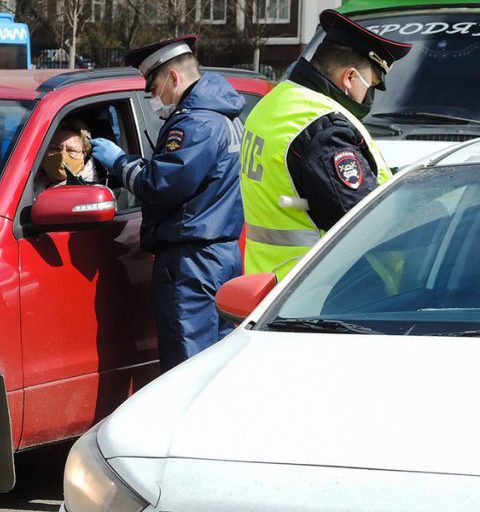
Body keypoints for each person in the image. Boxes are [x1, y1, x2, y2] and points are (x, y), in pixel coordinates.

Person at [89, 36, 245, 372]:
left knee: (186, 369)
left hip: (192, 263)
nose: (151, 97)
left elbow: (159, 184)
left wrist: (118, 162)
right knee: (215, 367)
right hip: (220, 256)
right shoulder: (224, 115)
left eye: (153, 86)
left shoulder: (196, 123)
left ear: (174, 77)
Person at [240, 9, 412, 279]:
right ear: (350, 78)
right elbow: (363, 223)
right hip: (317, 292)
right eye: (372, 85)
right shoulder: (323, 128)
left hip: (266, 280)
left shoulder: (275, 105)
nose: (369, 96)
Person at [36, 118, 98, 192]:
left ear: (85, 154)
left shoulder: (92, 191)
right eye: (55, 149)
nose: (62, 156)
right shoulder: (27, 185)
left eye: (71, 150)